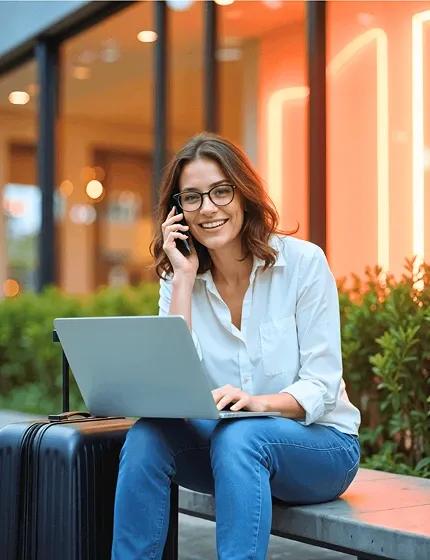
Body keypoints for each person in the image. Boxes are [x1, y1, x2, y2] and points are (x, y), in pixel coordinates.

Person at [111, 132, 361, 560]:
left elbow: (321, 385)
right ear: (178, 211)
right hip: (230, 452)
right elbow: (172, 385)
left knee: (240, 437)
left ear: (244, 194)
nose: (208, 208)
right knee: (148, 436)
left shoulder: (302, 264)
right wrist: (184, 278)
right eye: (191, 198)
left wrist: (257, 402)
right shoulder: (178, 279)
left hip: (321, 449)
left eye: (220, 192)